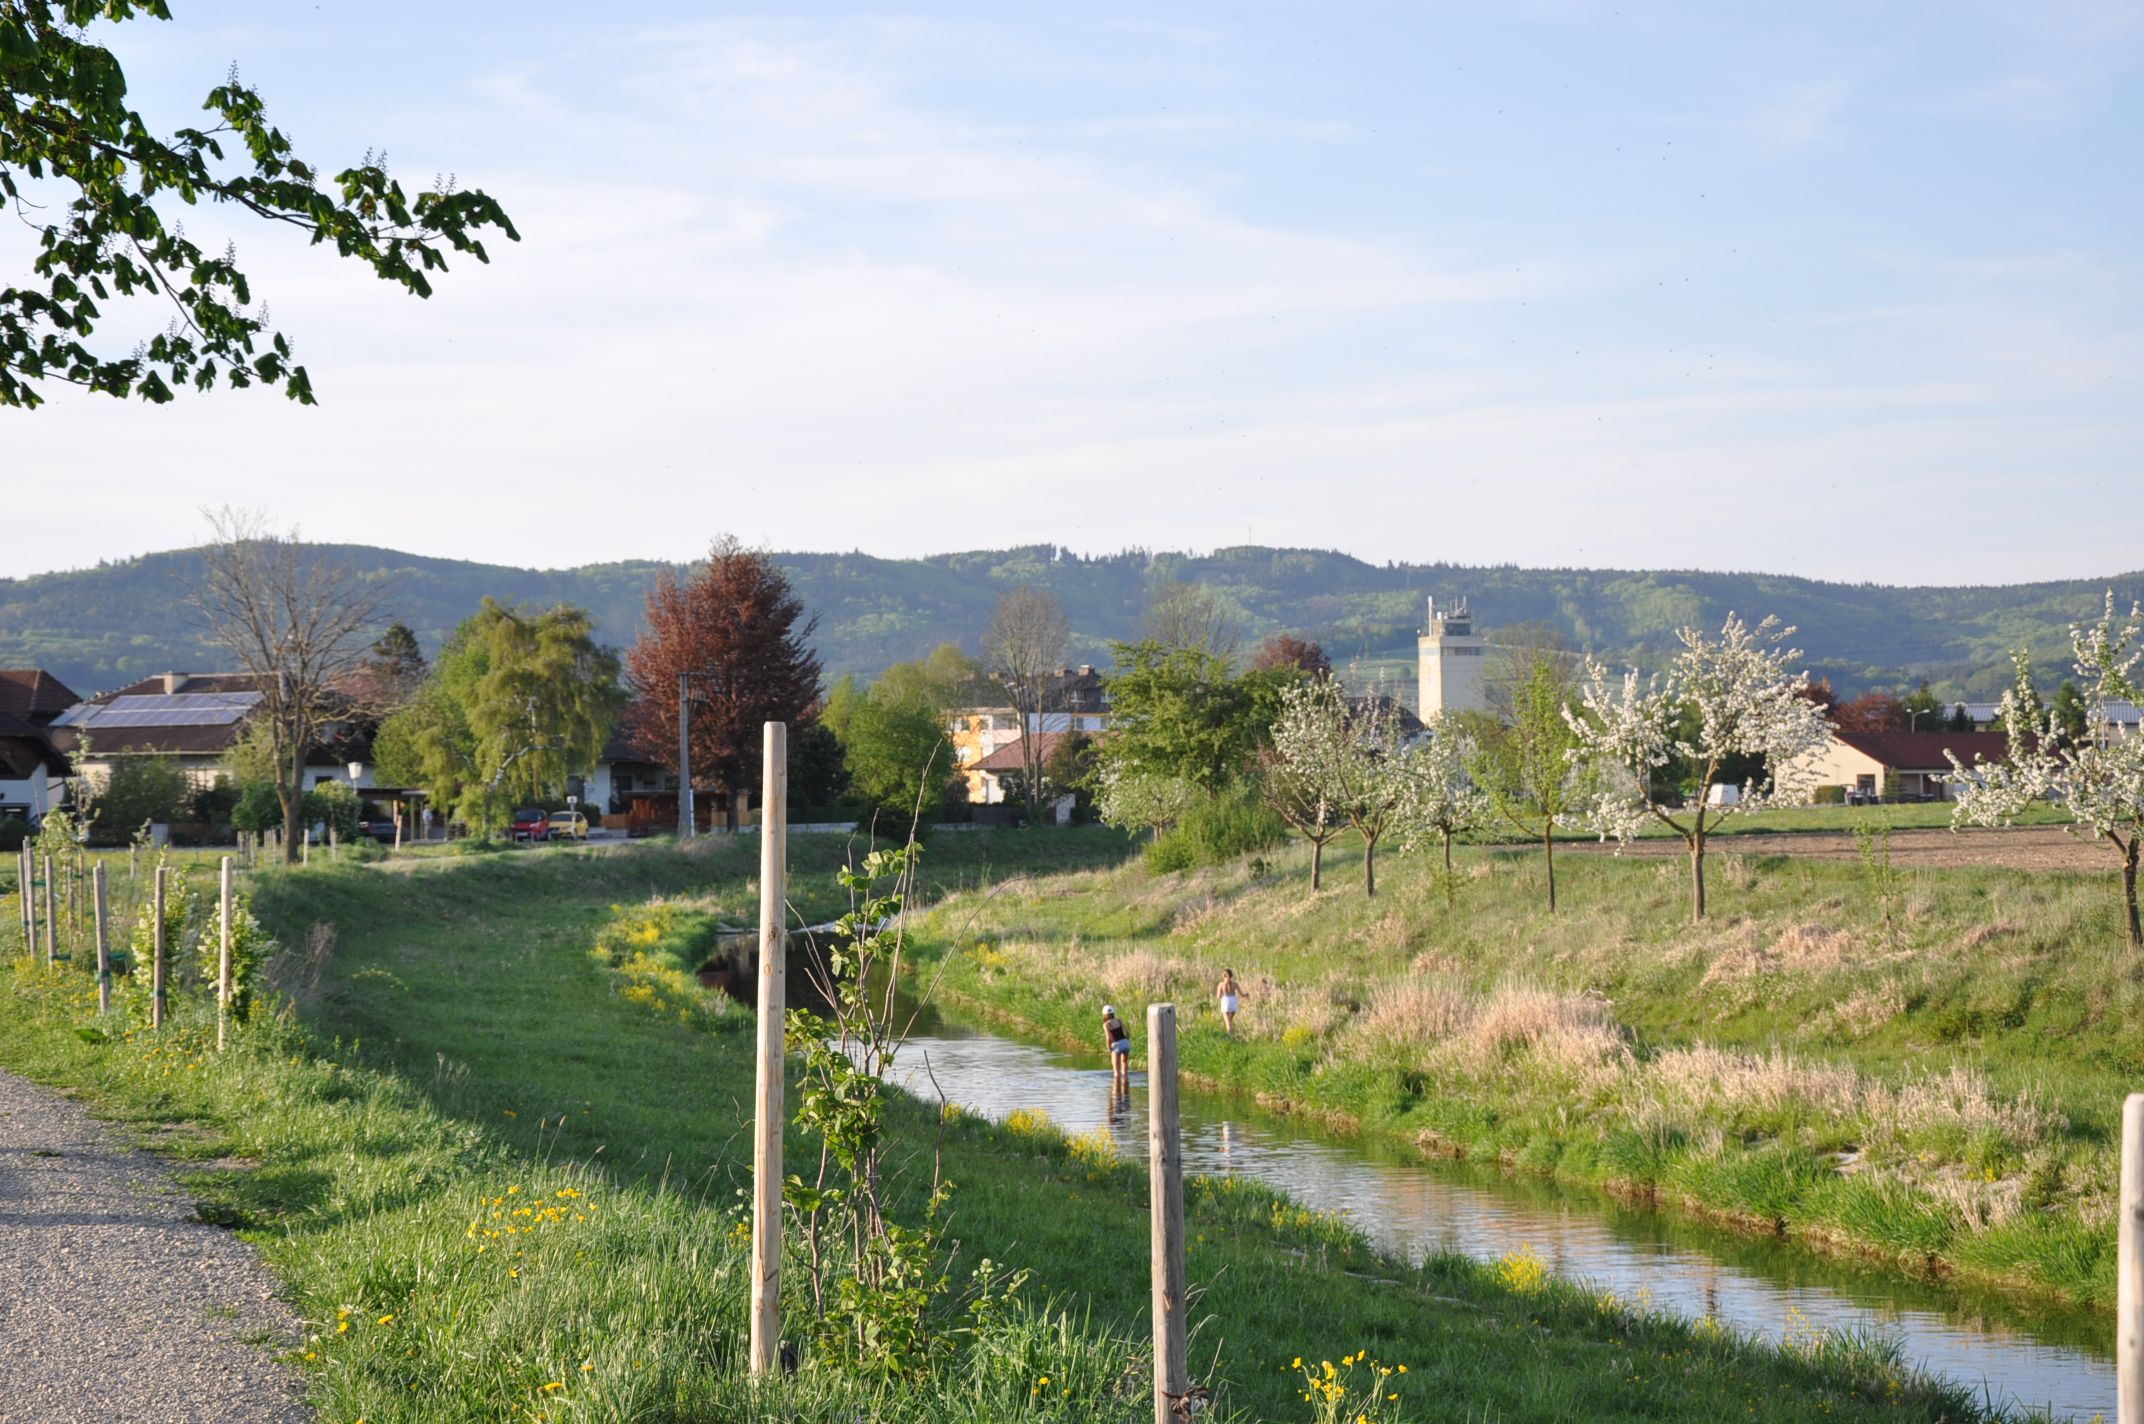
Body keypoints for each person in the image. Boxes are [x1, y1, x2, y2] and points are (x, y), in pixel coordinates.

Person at [1102, 1004, 1131, 1088]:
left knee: (1116, 1072)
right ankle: (1125, 1087)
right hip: (1125, 1043)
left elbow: (1108, 1038)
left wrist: (1109, 1048)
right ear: (1113, 1013)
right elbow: (1128, 1033)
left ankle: (1116, 1090)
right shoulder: (1119, 1020)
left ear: (1104, 1015)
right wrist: (1126, 1041)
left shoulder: (1106, 1025)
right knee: (1124, 1068)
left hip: (1116, 1045)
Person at [1216, 967, 1241, 1034]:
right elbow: (1242, 994)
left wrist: (1221, 996)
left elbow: (1218, 996)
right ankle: (1230, 1032)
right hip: (1234, 1002)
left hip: (1226, 1002)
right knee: (1229, 1020)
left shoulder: (1221, 984)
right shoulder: (1235, 984)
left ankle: (1230, 1036)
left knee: (1228, 1024)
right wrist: (1246, 995)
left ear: (1224, 976)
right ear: (1231, 975)